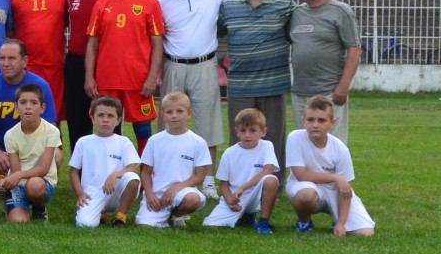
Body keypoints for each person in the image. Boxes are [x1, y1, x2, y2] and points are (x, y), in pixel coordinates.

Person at [85, 0, 166, 145]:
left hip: (137, 78)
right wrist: (89, 77)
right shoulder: (102, 4)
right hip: (107, 78)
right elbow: (92, 44)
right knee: (107, 126)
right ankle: (111, 170)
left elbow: (157, 44)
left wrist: (152, 77)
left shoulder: (149, 3)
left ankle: (145, 172)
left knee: (142, 127)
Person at [219, 0, 294, 165]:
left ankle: (273, 188)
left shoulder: (284, 3)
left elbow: (295, 35)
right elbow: (217, 33)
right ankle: (239, 182)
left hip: (274, 82)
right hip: (240, 84)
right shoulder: (228, 4)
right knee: (240, 136)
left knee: (274, 137)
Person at [157, 0, 227, 155]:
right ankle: (169, 172)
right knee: (169, 122)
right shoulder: (161, 1)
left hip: (204, 65)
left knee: (207, 124)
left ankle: (207, 180)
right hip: (173, 65)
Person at [289, 0, 361, 144]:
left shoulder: (340, 11)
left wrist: (343, 86)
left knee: (331, 144)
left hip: (329, 90)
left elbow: (354, 49)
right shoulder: (296, 13)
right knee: (304, 143)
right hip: (300, 91)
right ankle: (306, 173)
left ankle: (334, 173)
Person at [285, 96, 375, 236]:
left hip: (334, 191)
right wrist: (335, 177)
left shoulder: (340, 148)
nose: (315, 125)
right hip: (305, 186)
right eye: (310, 120)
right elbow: (301, 175)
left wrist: (341, 223)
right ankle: (304, 221)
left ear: (332, 123)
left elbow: (346, 189)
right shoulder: (295, 138)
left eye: (321, 120)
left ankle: (336, 221)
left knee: (366, 233)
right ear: (303, 121)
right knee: (305, 195)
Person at [5, 0, 70, 118]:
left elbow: (66, 21)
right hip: (25, 65)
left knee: (52, 115)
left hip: (53, 63)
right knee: (23, 114)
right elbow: (9, 29)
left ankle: (56, 147)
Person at [136, 92, 212, 227]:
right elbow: (146, 173)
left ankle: (177, 215)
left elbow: (200, 177)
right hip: (157, 194)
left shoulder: (198, 142)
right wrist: (149, 195)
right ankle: (158, 213)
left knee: (193, 200)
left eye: (180, 111)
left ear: (189, 113)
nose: (174, 115)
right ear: (163, 115)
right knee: (144, 225)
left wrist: (177, 188)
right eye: (169, 112)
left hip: (183, 191)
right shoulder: (154, 141)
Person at [203, 107, 281, 232]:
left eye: (252, 130)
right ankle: (245, 216)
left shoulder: (266, 146)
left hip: (256, 195)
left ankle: (263, 221)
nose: (247, 135)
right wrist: (230, 201)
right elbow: (223, 183)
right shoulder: (229, 153)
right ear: (237, 132)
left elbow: (268, 170)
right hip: (235, 197)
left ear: (263, 131)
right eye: (243, 130)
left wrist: (243, 188)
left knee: (271, 180)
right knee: (211, 226)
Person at [68, 95, 142, 228]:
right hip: (93, 193)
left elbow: (132, 167)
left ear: (118, 120)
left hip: (116, 189)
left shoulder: (123, 142)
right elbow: (73, 171)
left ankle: (121, 217)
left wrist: (114, 175)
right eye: (100, 115)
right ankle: (100, 213)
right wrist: (80, 194)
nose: (105, 120)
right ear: (93, 118)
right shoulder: (84, 142)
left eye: (110, 116)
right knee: (85, 224)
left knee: (133, 178)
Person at [0, 83, 60, 223]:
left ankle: (39, 207)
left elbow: (44, 169)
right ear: (16, 107)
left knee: (34, 185)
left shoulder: (51, 131)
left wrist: (18, 175)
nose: (28, 107)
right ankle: (14, 209)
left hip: (41, 183)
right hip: (19, 183)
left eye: (34, 103)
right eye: (23, 103)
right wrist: (5, 182)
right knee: (18, 221)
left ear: (42, 108)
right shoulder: (10, 135)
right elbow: (16, 170)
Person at [0, 39, 58, 151]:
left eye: (12, 58)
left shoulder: (40, 85)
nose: (6, 63)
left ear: (24, 61)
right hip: (0, 151)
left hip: (32, 149)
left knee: (57, 156)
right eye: (2, 58)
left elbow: (51, 126)